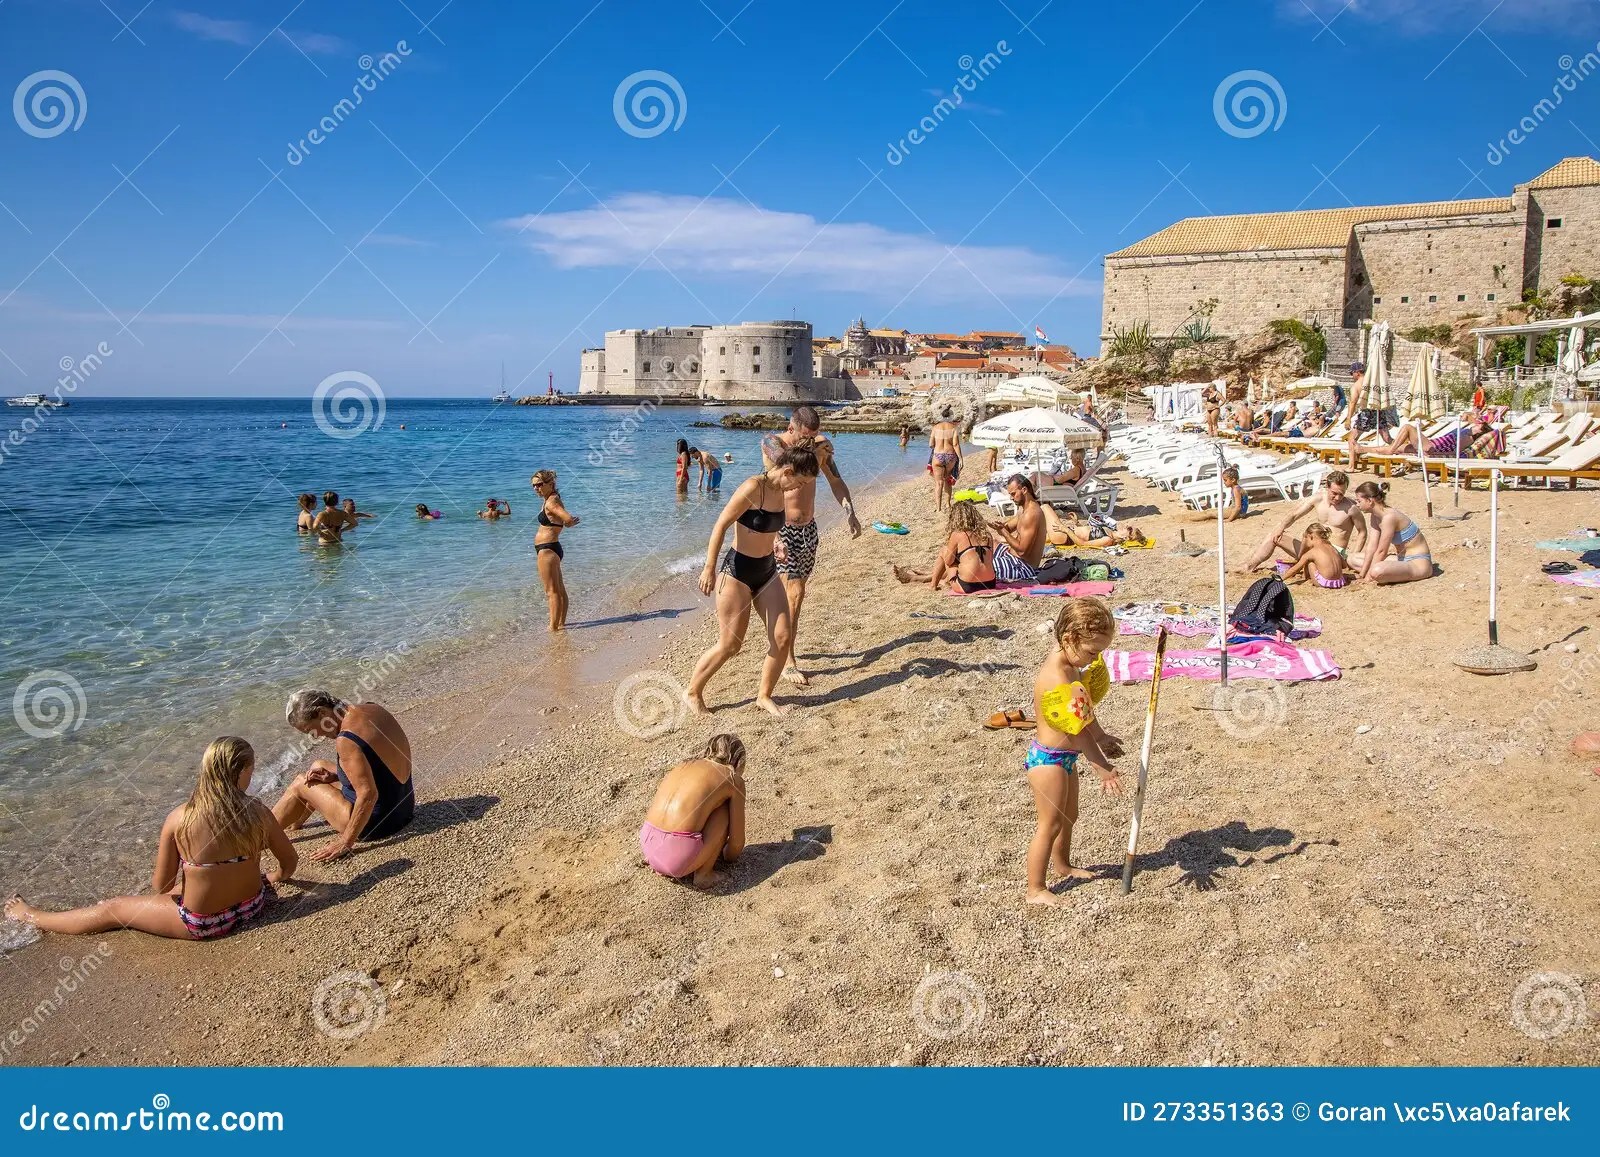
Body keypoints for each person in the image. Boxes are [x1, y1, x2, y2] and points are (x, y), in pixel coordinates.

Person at [5, 737, 296, 940]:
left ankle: (31, 916)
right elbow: (289, 862)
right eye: (251, 769)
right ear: (241, 771)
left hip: (204, 925)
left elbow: (162, 886)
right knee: (204, 875)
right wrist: (272, 876)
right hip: (252, 906)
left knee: (113, 908)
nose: (251, 775)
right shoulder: (257, 811)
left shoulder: (180, 818)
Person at [688, 443, 820, 717]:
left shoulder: (781, 491)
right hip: (737, 572)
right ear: (787, 471)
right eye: (800, 481)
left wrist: (778, 543)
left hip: (767, 571)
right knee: (731, 645)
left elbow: (767, 527)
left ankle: (763, 696)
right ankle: (693, 692)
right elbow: (721, 524)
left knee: (782, 637)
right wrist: (708, 567)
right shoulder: (752, 487)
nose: (799, 488)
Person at [1024, 599, 1124, 906]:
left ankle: (1063, 865)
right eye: (1093, 651)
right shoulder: (1057, 676)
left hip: (1065, 758)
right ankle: (1035, 889)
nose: (1095, 658)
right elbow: (1074, 729)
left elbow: (1084, 712)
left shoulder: (1072, 665)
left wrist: (1101, 734)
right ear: (1070, 639)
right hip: (1047, 761)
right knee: (1049, 824)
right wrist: (1101, 766)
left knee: (1070, 816)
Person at [762, 406, 862, 686]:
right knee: (793, 593)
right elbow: (778, 476)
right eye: (805, 437)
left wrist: (849, 510)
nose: (809, 441)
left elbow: (835, 480)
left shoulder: (819, 447)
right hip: (782, 528)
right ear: (792, 428)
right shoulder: (773, 443)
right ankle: (787, 659)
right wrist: (774, 535)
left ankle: (781, 642)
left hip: (809, 529)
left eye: (814, 436)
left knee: (798, 596)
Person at [273, 690, 416, 860]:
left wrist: (345, 842)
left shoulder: (346, 739)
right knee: (317, 766)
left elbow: (369, 794)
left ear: (322, 713)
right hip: (404, 806)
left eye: (310, 730)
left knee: (300, 784)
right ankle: (294, 823)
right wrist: (334, 777)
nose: (315, 736)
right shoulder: (372, 709)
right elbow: (379, 767)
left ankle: (257, 837)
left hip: (378, 823)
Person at [639, 734, 747, 889]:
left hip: (648, 845)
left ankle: (658, 859)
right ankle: (704, 875)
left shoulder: (683, 765)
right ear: (737, 760)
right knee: (723, 810)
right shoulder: (732, 778)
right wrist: (728, 856)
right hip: (676, 860)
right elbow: (736, 843)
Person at [1242, 469, 1366, 572]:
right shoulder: (1318, 498)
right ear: (1327, 487)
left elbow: (1362, 532)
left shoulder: (1351, 508)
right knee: (1274, 536)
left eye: (1341, 494)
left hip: (1334, 554)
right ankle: (1249, 567)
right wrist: (1281, 528)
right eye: (1334, 493)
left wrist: (1353, 555)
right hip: (1313, 549)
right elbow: (1295, 514)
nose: (1338, 497)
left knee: (1307, 538)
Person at [891, 500, 998, 592]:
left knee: (945, 551)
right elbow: (989, 559)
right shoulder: (987, 535)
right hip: (990, 584)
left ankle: (933, 585)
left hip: (967, 586)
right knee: (963, 559)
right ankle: (927, 578)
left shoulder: (957, 535)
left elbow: (948, 562)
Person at [1351, 481, 1434, 585]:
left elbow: (1381, 551)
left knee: (1376, 571)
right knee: (1352, 558)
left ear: (1370, 501)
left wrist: (1367, 578)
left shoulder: (1389, 517)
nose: (1357, 504)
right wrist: (1362, 574)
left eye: (1359, 501)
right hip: (1401, 559)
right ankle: (1383, 572)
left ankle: (1379, 573)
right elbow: (1372, 546)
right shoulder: (1375, 516)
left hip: (1418, 563)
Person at [531, 469, 578, 631]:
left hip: (547, 549)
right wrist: (569, 522)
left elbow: (566, 517)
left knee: (552, 592)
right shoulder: (551, 499)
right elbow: (565, 520)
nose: (536, 488)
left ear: (550, 484)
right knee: (559, 589)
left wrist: (569, 521)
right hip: (552, 548)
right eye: (534, 486)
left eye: (539, 485)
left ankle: (553, 628)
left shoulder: (551, 502)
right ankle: (561, 624)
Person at [987, 474, 1047, 582]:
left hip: (1023, 567)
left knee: (982, 566)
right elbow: (1008, 528)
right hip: (1012, 557)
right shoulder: (1023, 509)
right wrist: (999, 527)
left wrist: (1003, 531)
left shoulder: (1031, 514)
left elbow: (1023, 551)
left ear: (1024, 490)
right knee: (987, 542)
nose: (1011, 498)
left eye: (1013, 494)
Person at [1345, 361, 1399, 469]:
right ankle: (1402, 452)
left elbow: (1353, 403)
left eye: (1352, 373)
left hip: (1366, 413)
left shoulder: (1356, 386)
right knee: (1387, 438)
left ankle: (1351, 466)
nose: (1352, 376)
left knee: (1352, 439)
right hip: (1378, 411)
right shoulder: (1374, 382)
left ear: (1357, 372)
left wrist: (1348, 419)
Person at [1278, 523, 1350, 589]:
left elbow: (1295, 569)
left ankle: (1307, 577)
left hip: (1324, 583)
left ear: (1310, 537)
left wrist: (1281, 578)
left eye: (1305, 538)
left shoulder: (1312, 552)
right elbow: (1344, 565)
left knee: (1310, 562)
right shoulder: (1332, 547)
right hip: (1339, 582)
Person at [1043, 504, 1144, 549]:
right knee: (1034, 538)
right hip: (1064, 532)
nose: (1127, 525)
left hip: (1064, 535)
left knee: (1045, 507)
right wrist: (1077, 523)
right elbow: (1087, 533)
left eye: (1129, 529)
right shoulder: (1109, 531)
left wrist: (1066, 530)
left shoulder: (1107, 540)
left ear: (1126, 538)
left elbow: (1083, 544)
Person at [927, 406, 964, 512]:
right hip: (950, 456)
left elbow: (931, 444)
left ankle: (938, 508)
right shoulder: (953, 428)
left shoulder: (935, 428)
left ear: (941, 416)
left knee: (939, 483)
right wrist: (961, 458)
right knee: (947, 480)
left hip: (938, 455)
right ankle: (948, 504)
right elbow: (955, 444)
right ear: (951, 416)